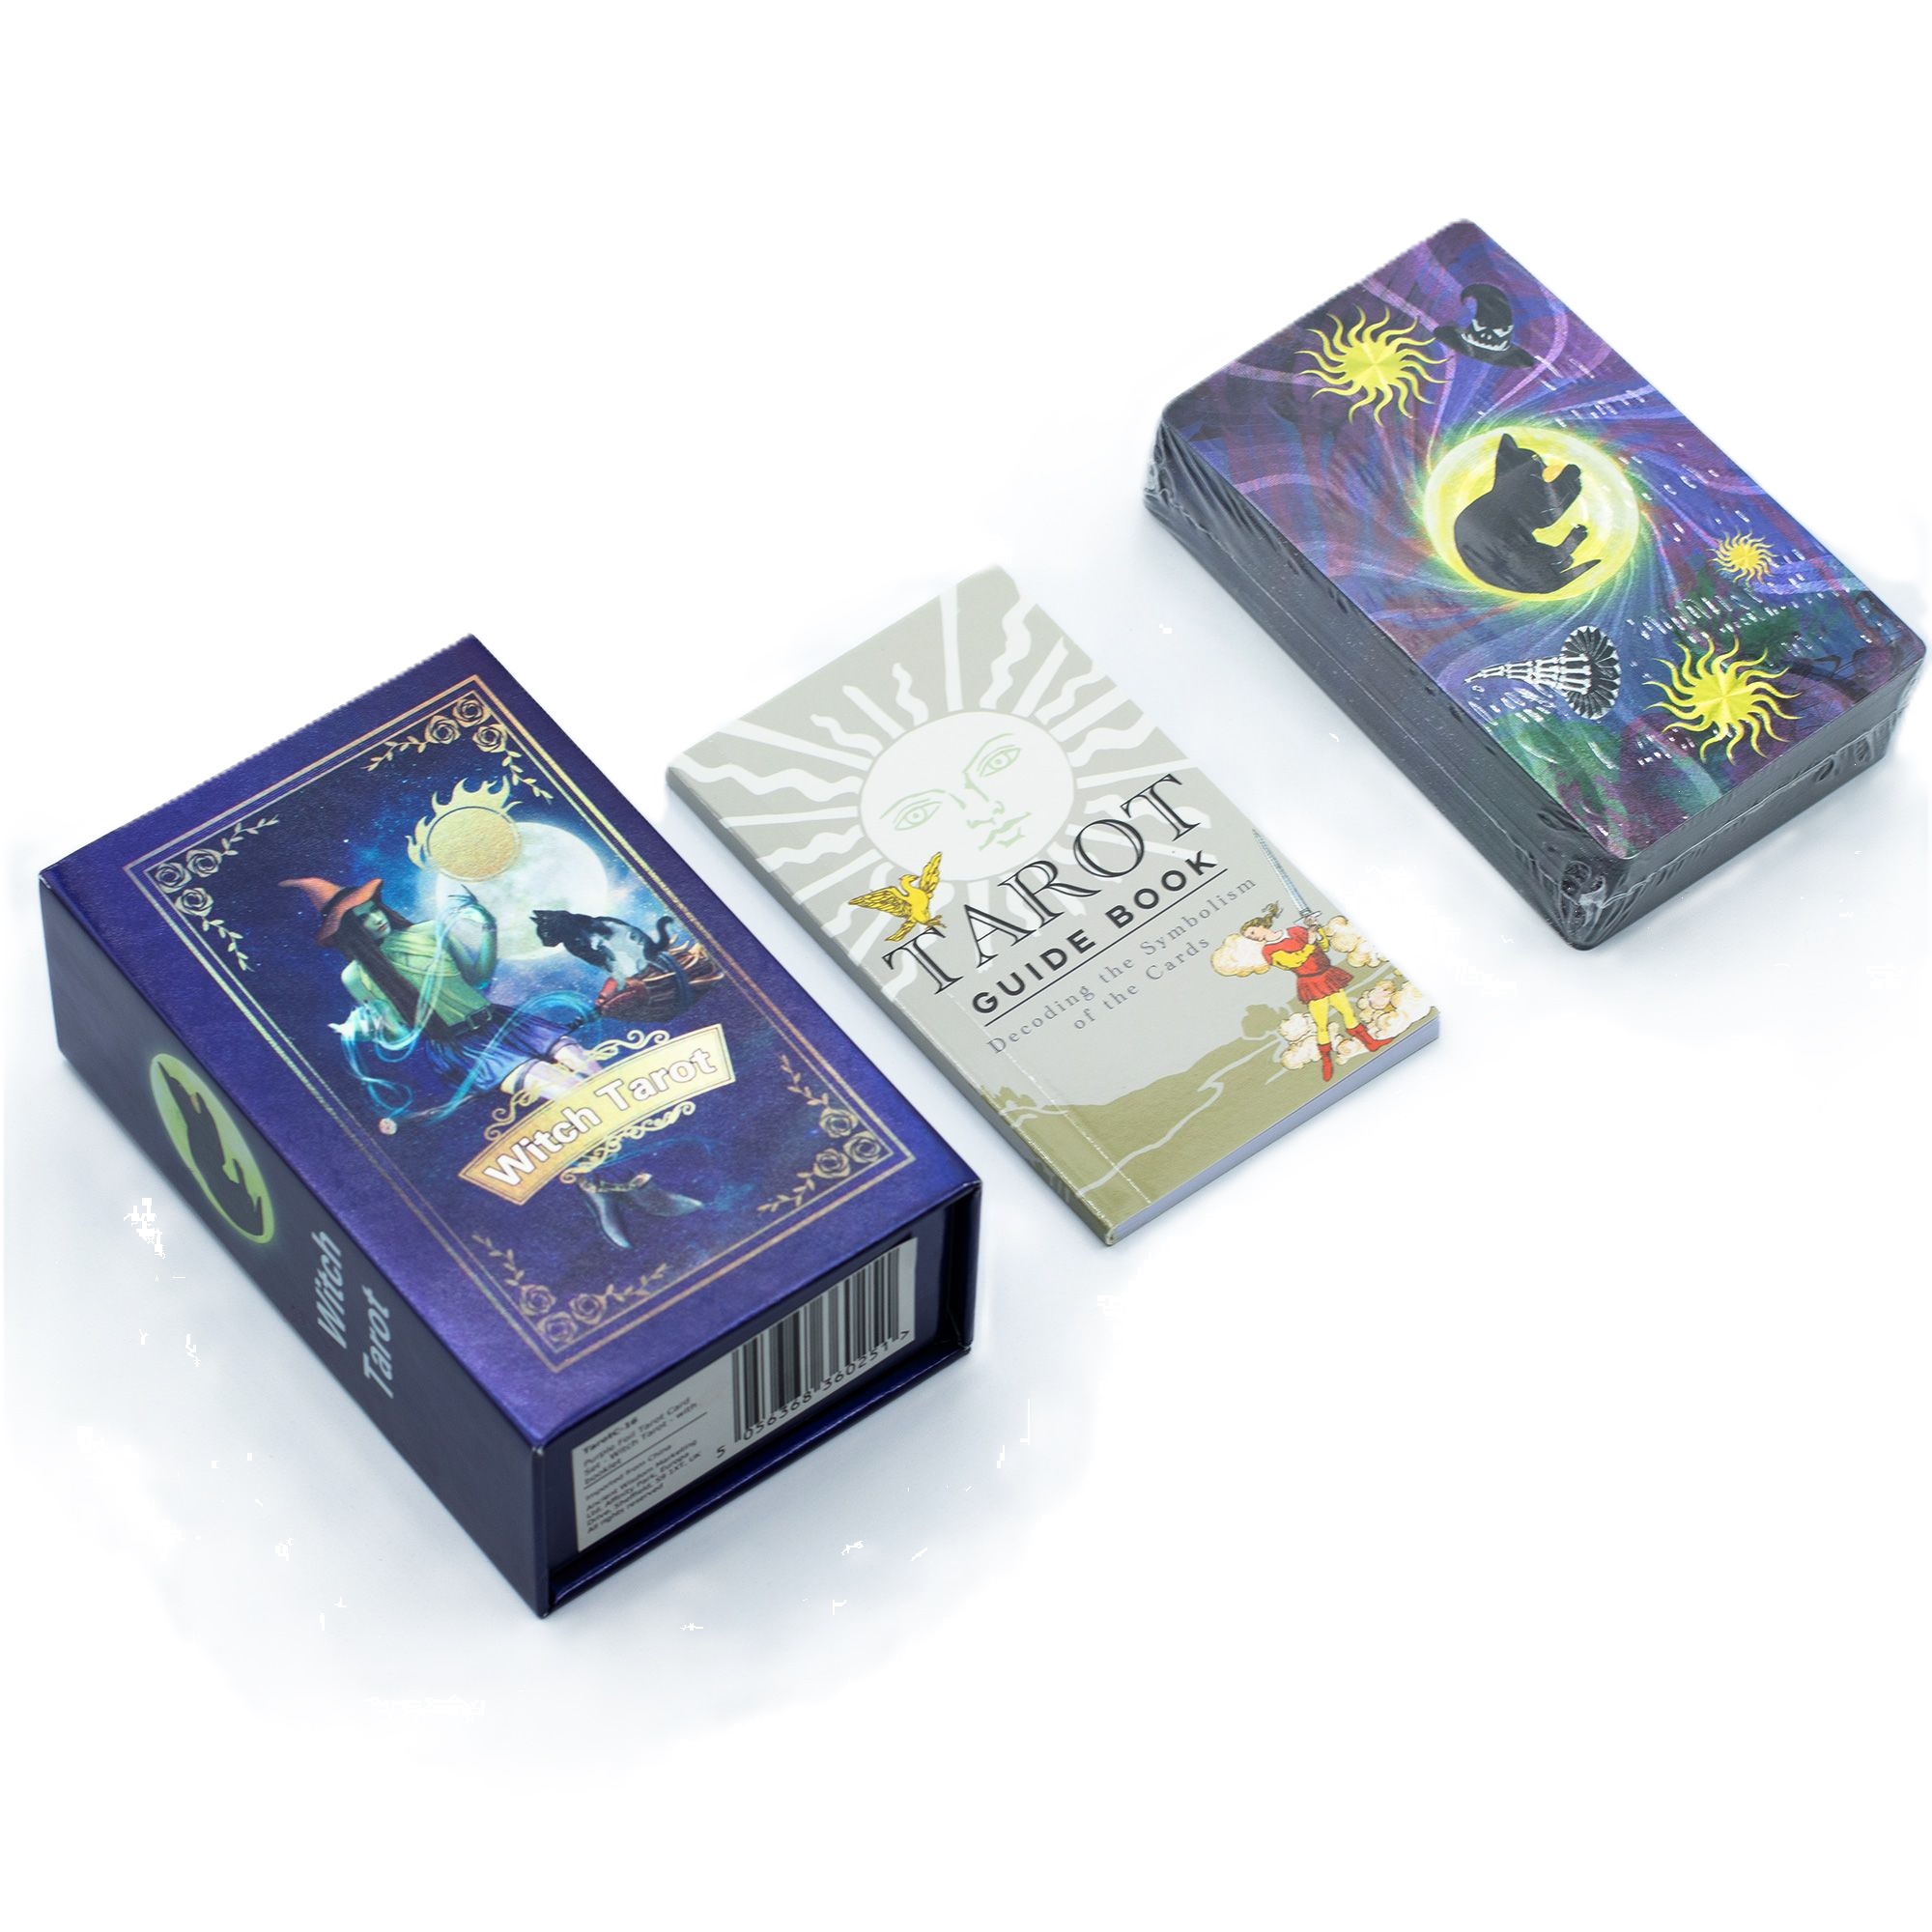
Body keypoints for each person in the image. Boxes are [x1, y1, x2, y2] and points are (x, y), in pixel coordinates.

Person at [280, 874, 696, 1244]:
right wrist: (371, 1028)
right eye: (361, 920)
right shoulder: (356, 976)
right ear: (349, 934)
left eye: (373, 909)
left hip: (502, 1021)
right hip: (466, 1048)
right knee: (571, 1093)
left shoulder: (426, 932)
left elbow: (479, 976)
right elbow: (398, 1032)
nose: (375, 919)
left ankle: (606, 1181)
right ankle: (618, 1183)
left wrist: (486, 924)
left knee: (596, 1076)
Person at [1238, 903, 1385, 1083]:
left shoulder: (1295, 931)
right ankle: (1327, 1062)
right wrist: (1309, 943)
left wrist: (1316, 929)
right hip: (1311, 983)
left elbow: (1323, 946)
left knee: (1347, 1012)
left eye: (1252, 932)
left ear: (1261, 925)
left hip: (1327, 975)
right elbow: (1295, 961)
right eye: (1250, 937)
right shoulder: (1269, 951)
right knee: (1322, 1024)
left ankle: (1371, 1043)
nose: (1253, 937)